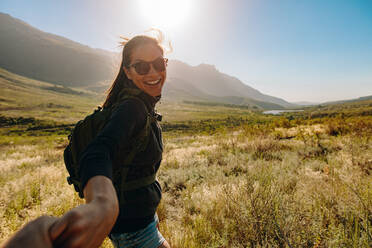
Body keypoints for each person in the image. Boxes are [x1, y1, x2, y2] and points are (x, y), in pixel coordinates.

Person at [51, 34, 171, 248]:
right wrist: (100, 203)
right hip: (135, 230)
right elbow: (98, 151)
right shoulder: (132, 108)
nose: (153, 72)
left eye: (158, 63)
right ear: (127, 72)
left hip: (141, 222)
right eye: (141, 67)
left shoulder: (139, 104)